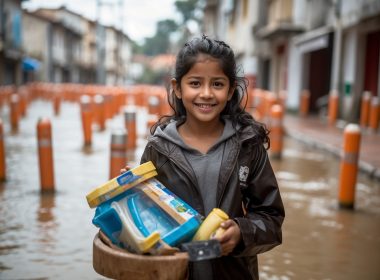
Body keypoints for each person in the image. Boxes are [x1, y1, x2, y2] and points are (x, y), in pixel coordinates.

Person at [139, 35, 285, 279]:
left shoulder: (247, 146)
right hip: (175, 272)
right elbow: (143, 215)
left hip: (233, 273)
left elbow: (271, 217)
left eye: (217, 84)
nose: (206, 94)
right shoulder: (158, 149)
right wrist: (130, 189)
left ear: (230, 91)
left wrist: (241, 232)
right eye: (195, 83)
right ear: (177, 87)